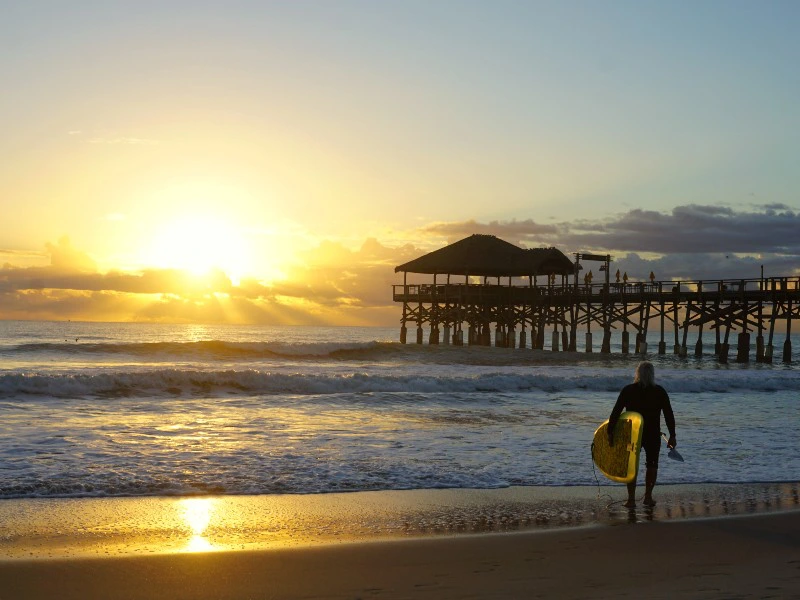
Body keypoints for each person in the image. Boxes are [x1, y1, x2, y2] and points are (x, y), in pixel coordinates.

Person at [608, 361, 676, 508]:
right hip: (652, 433)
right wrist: (672, 435)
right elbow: (669, 414)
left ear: (637, 374)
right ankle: (648, 498)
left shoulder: (628, 390)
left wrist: (610, 431)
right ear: (652, 375)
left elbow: (616, 412)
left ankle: (631, 500)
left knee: (631, 466)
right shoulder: (659, 391)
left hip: (633, 434)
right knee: (652, 465)